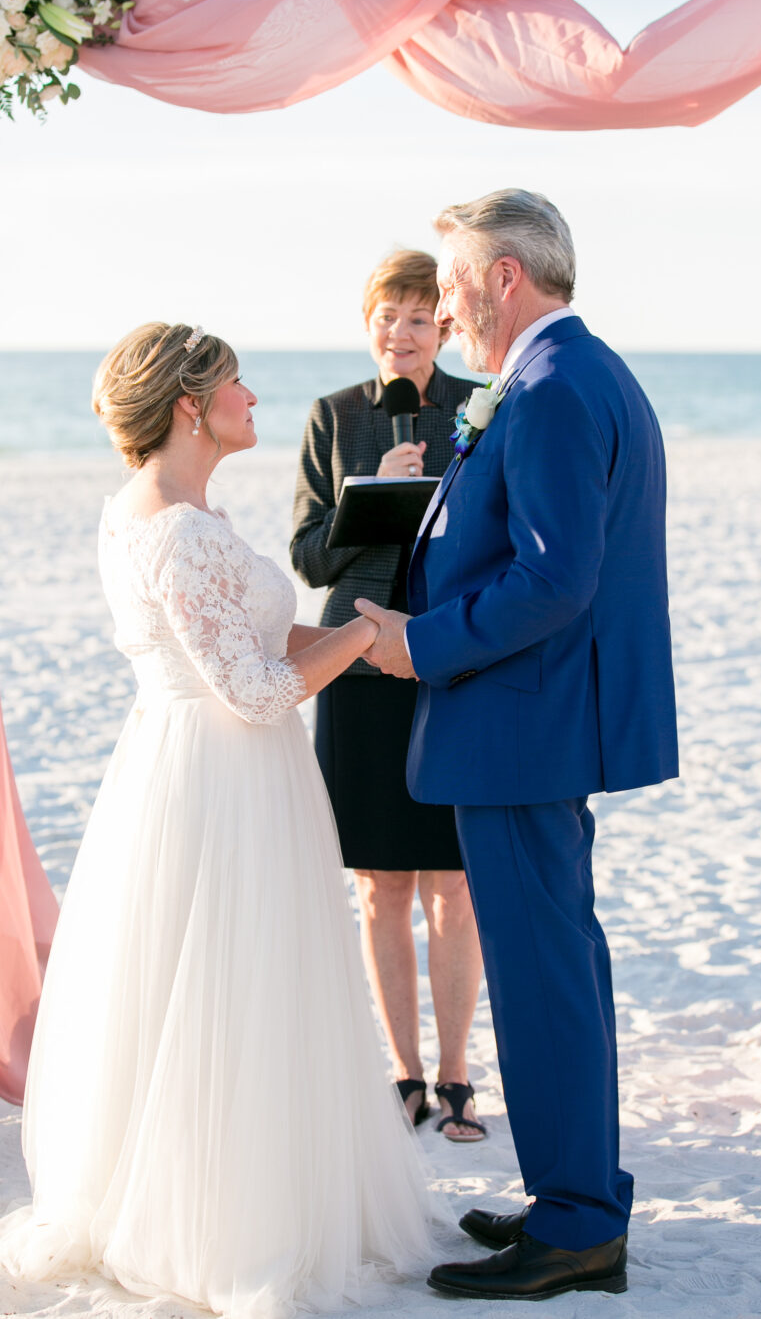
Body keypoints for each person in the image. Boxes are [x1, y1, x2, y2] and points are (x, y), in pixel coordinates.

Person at [0, 323, 434, 1317]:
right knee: (224, 991)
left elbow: (264, 635)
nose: (253, 396)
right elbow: (257, 692)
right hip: (219, 780)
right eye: (237, 382)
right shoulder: (174, 526)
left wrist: (359, 639)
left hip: (203, 764)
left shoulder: (172, 508)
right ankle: (222, 1221)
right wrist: (367, 631)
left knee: (228, 989)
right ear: (190, 405)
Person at [357, 190, 679, 1302]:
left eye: (449, 285)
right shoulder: (575, 372)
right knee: (559, 970)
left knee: (546, 977)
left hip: (521, 724)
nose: (442, 309)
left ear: (504, 277)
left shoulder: (546, 388)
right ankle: (573, 1195)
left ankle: (581, 1222)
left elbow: (553, 577)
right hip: (536, 723)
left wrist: (421, 646)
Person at [291, 251, 485, 1142]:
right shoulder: (332, 418)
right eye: (387, 316)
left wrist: (434, 485)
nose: (400, 334)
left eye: (417, 319)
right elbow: (306, 558)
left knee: (452, 883)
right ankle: (402, 1074)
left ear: (442, 327)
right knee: (381, 886)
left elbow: (495, 533)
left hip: (447, 659)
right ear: (367, 322)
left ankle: (456, 1078)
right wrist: (371, 497)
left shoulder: (480, 408)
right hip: (357, 668)